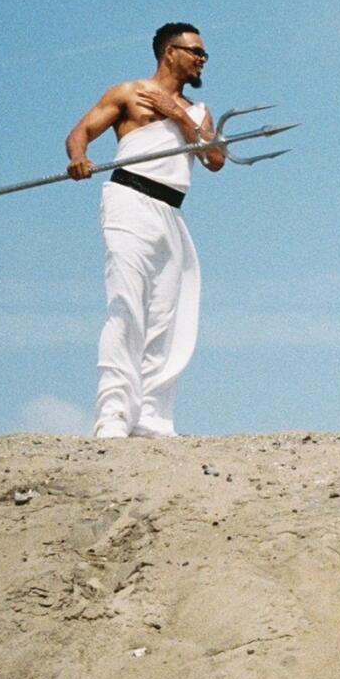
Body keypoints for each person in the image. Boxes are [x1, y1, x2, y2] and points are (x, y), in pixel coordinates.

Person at [65, 23, 225, 439]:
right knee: (126, 302)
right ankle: (113, 415)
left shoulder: (198, 111)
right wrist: (79, 158)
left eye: (204, 54)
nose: (202, 60)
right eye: (195, 52)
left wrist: (178, 116)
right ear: (170, 52)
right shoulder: (126, 92)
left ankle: (152, 416)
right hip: (129, 198)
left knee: (168, 314)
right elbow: (80, 132)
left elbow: (215, 160)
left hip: (171, 210)